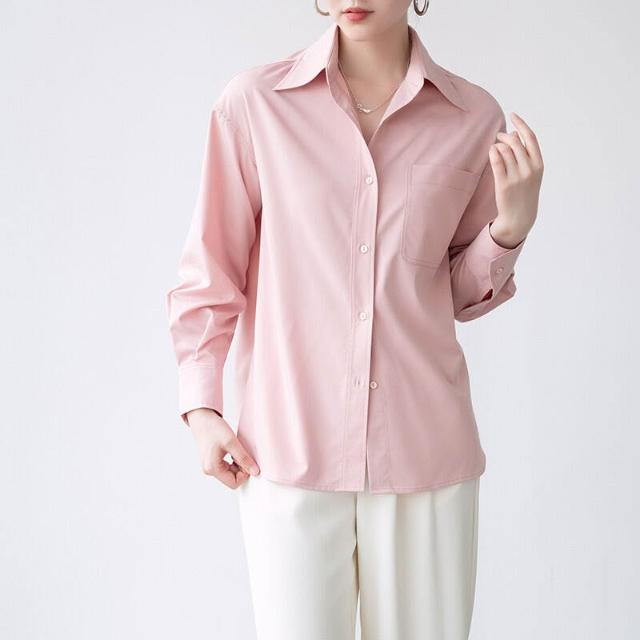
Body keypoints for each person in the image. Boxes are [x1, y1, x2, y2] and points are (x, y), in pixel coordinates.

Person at [165, 1, 543, 638]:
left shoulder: (473, 118)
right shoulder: (255, 106)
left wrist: (510, 228)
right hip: (286, 452)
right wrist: (201, 408)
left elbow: (453, 294)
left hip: (423, 455)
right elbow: (211, 271)